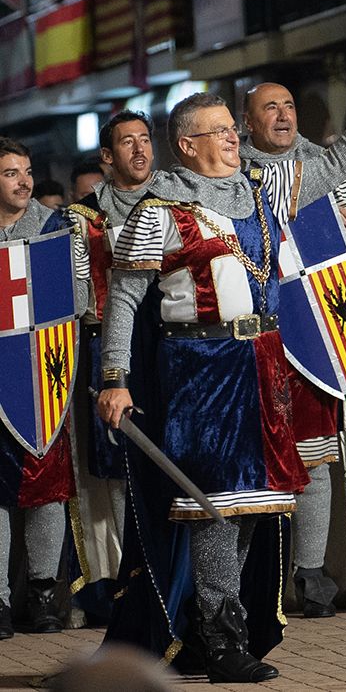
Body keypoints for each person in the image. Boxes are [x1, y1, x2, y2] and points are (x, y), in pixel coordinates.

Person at [97, 45, 346, 683]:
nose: (235, 139)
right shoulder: (159, 209)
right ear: (188, 145)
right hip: (199, 369)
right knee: (215, 506)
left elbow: (331, 167)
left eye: (232, 130)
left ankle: (227, 629)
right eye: (221, 131)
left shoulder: (260, 190)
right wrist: (114, 379)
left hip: (263, 364)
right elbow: (124, 302)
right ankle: (218, 640)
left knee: (254, 506)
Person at [238, 79, 346, 619]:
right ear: (247, 122)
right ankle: (255, 579)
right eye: (269, 107)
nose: (282, 115)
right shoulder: (233, 173)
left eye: (289, 104)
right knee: (258, 461)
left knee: (316, 459)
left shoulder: (326, 166)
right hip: (256, 336)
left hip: (317, 334)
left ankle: (312, 574)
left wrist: (329, 231)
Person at [64, 110, 162, 606]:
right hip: (112, 349)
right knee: (120, 464)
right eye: (127, 142)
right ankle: (127, 579)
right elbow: (80, 297)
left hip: (171, 347)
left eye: (146, 139)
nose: (140, 150)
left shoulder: (176, 204)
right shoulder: (82, 219)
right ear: (108, 157)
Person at [0, 137, 79, 638]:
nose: (24, 180)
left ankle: (45, 592)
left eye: (27, 171)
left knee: (45, 488)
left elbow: (79, 297)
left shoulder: (56, 229)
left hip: (42, 377)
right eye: (11, 172)